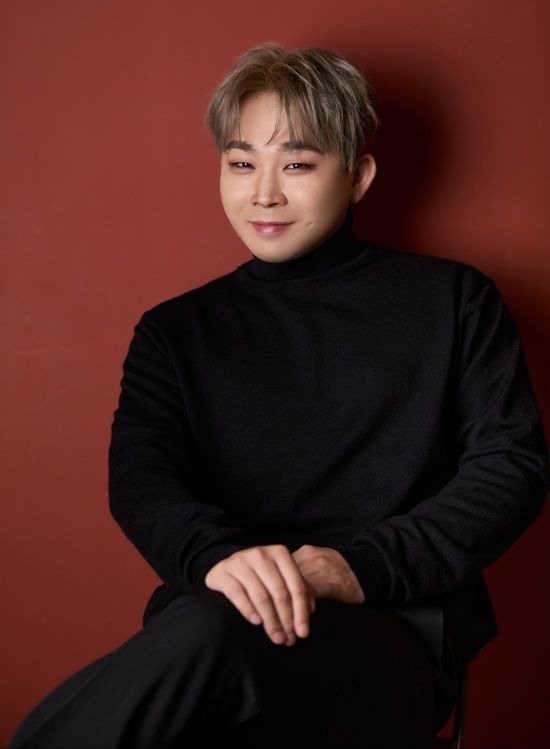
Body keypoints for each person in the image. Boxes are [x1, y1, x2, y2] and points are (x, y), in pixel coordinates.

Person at [9, 43, 549, 749]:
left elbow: (510, 469)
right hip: (212, 621)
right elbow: (142, 479)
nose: (263, 193)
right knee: (211, 636)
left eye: (296, 164)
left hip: (391, 627)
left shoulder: (454, 301)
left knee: (208, 641)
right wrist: (219, 559)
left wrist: (356, 567)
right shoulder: (175, 332)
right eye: (241, 164)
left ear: (357, 176)